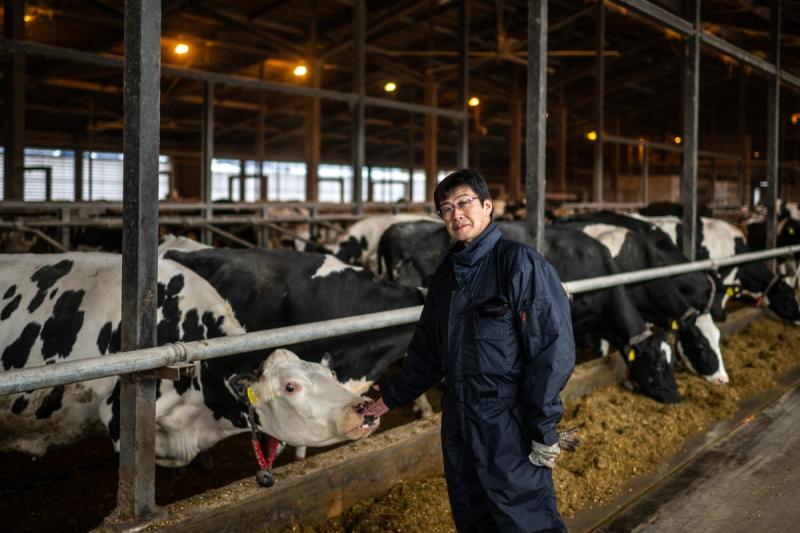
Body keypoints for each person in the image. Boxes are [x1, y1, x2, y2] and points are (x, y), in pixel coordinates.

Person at [362, 169, 575, 532]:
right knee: (472, 516)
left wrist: (544, 428)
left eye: (464, 203)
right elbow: (427, 353)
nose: (456, 214)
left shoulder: (520, 264)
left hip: (509, 424)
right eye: (446, 209)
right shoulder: (446, 275)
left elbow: (551, 352)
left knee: (524, 518)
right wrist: (386, 400)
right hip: (458, 421)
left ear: (487, 207)